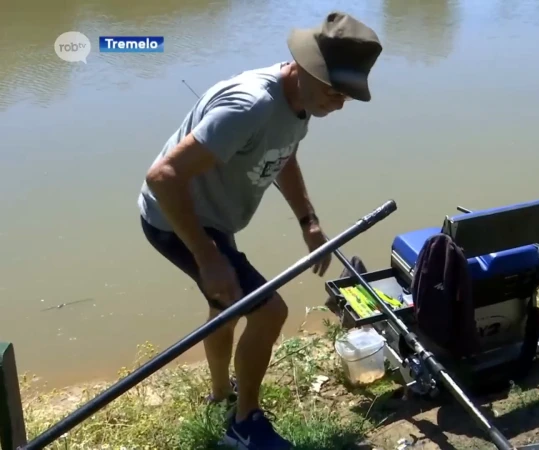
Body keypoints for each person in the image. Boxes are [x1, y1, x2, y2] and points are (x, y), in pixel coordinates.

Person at [136, 11, 382, 449]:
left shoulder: (301, 102)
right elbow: (163, 177)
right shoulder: (250, 106)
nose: (341, 102)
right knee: (269, 312)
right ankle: (244, 421)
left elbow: (281, 153)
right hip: (175, 218)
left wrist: (308, 220)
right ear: (306, 68)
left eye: (347, 95)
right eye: (335, 90)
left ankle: (220, 395)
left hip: (212, 217)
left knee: (224, 302)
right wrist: (207, 257)